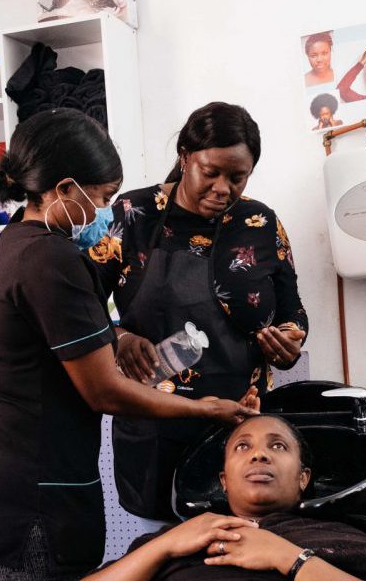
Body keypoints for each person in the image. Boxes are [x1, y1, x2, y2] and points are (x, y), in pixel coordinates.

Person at [0, 109, 259, 581]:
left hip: (0, 478)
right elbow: (104, 391)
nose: (106, 213)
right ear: (65, 190)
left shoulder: (18, 242)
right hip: (31, 496)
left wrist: (117, 336)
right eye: (104, 198)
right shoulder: (51, 257)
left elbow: (56, 341)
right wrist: (207, 410)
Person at [85, 102, 309, 522]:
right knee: (166, 552)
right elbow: (80, 308)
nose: (224, 188)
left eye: (237, 177)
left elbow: (293, 309)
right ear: (185, 156)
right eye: (211, 172)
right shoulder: (134, 215)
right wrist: (120, 337)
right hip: (156, 428)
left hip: (242, 432)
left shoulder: (260, 223)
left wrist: (291, 339)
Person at [87, 415, 366, 580]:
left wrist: (288, 557)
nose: (259, 455)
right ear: (224, 481)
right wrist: (165, 545)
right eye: (243, 446)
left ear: (304, 478)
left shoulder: (337, 539)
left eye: (278, 446)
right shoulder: (173, 541)